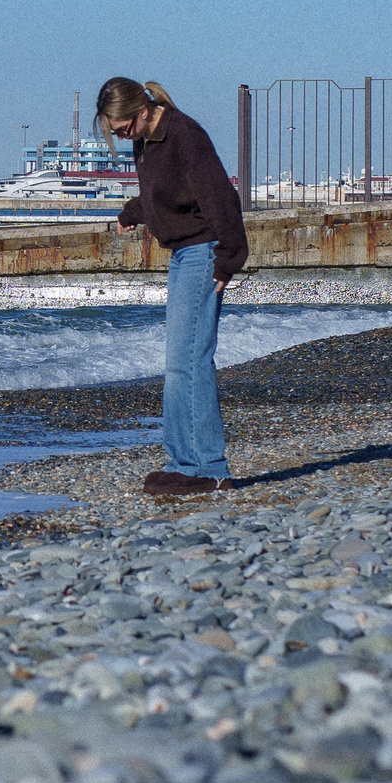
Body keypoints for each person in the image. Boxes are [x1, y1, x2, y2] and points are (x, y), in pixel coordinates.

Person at [101, 78, 247, 496]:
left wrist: (229, 258)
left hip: (205, 252)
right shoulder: (147, 141)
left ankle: (209, 468)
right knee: (177, 365)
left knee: (191, 361)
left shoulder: (184, 134)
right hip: (183, 254)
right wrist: (131, 212)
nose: (122, 137)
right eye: (116, 133)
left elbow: (220, 196)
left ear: (141, 110)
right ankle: (184, 462)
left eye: (123, 128)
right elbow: (165, 195)